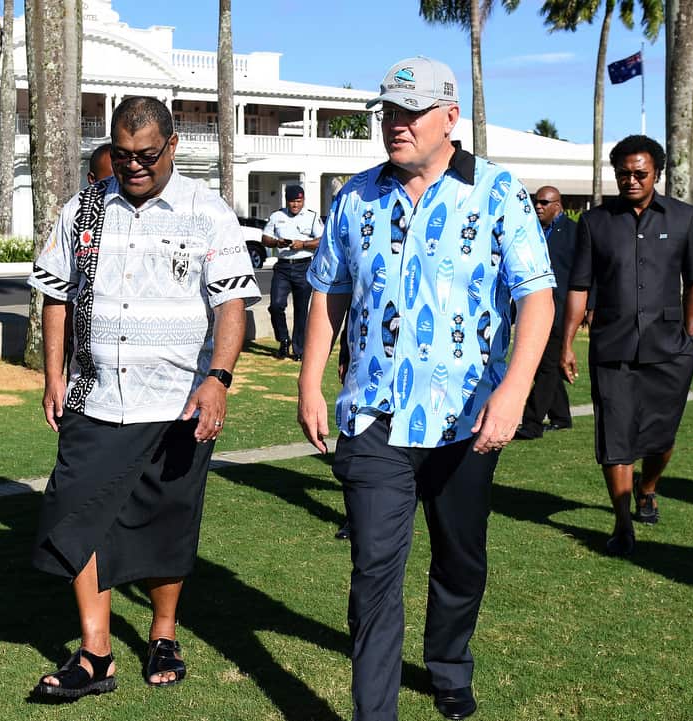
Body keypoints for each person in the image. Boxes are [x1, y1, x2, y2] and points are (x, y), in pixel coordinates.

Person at [297, 56, 555, 721]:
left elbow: (537, 297)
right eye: (389, 112)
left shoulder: (498, 191)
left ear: (450, 117)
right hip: (375, 420)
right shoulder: (355, 196)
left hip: (467, 419)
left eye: (410, 112)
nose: (396, 125)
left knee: (460, 560)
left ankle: (448, 662)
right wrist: (309, 380)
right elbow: (329, 289)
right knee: (375, 574)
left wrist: (516, 388)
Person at [27, 96, 259, 700]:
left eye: (147, 156)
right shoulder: (83, 212)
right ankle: (95, 653)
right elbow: (55, 293)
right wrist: (53, 374)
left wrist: (219, 378)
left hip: (177, 400)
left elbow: (230, 303)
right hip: (96, 395)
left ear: (173, 146)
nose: (133, 167)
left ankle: (163, 632)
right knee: (76, 517)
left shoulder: (207, 212)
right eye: (123, 155)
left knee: (164, 524)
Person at [560, 134, 693, 557]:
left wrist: (690, 339)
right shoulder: (595, 222)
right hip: (613, 348)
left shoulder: (683, 218)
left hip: (670, 349)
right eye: (623, 174)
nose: (631, 180)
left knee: (660, 438)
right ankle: (623, 525)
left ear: (656, 173)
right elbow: (579, 287)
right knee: (615, 437)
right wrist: (566, 343)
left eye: (640, 173)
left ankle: (647, 487)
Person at [516, 186, 577, 439]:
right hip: (538, 309)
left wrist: (587, 308)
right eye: (535, 202)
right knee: (546, 365)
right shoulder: (534, 232)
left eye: (544, 202)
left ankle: (532, 424)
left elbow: (585, 274)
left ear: (558, 205)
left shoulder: (573, 234)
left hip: (561, 310)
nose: (538, 206)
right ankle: (561, 417)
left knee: (546, 368)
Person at [264, 184, 323, 360]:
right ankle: (283, 341)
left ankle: (299, 350)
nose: (295, 205)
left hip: (303, 266)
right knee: (276, 305)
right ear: (286, 201)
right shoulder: (277, 216)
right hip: (282, 267)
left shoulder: (312, 217)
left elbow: (322, 240)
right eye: (292, 201)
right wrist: (277, 243)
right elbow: (265, 238)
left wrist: (303, 244)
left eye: (298, 201)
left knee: (301, 310)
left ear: (303, 200)